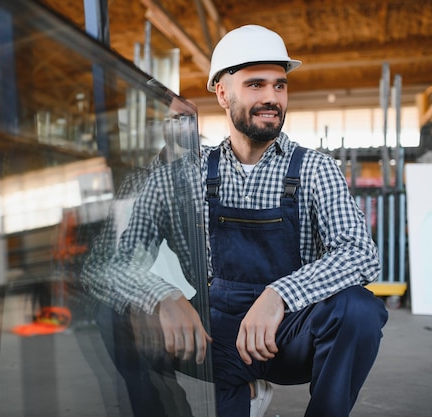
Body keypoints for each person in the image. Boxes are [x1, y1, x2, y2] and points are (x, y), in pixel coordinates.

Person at [83, 24, 388, 417]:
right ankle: (208, 399)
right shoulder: (185, 175)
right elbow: (107, 261)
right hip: (214, 337)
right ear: (221, 92)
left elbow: (360, 254)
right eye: (256, 85)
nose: (272, 98)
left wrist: (279, 295)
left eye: (279, 86)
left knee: (358, 309)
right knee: (115, 313)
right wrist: (162, 297)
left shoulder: (316, 169)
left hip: (288, 337)